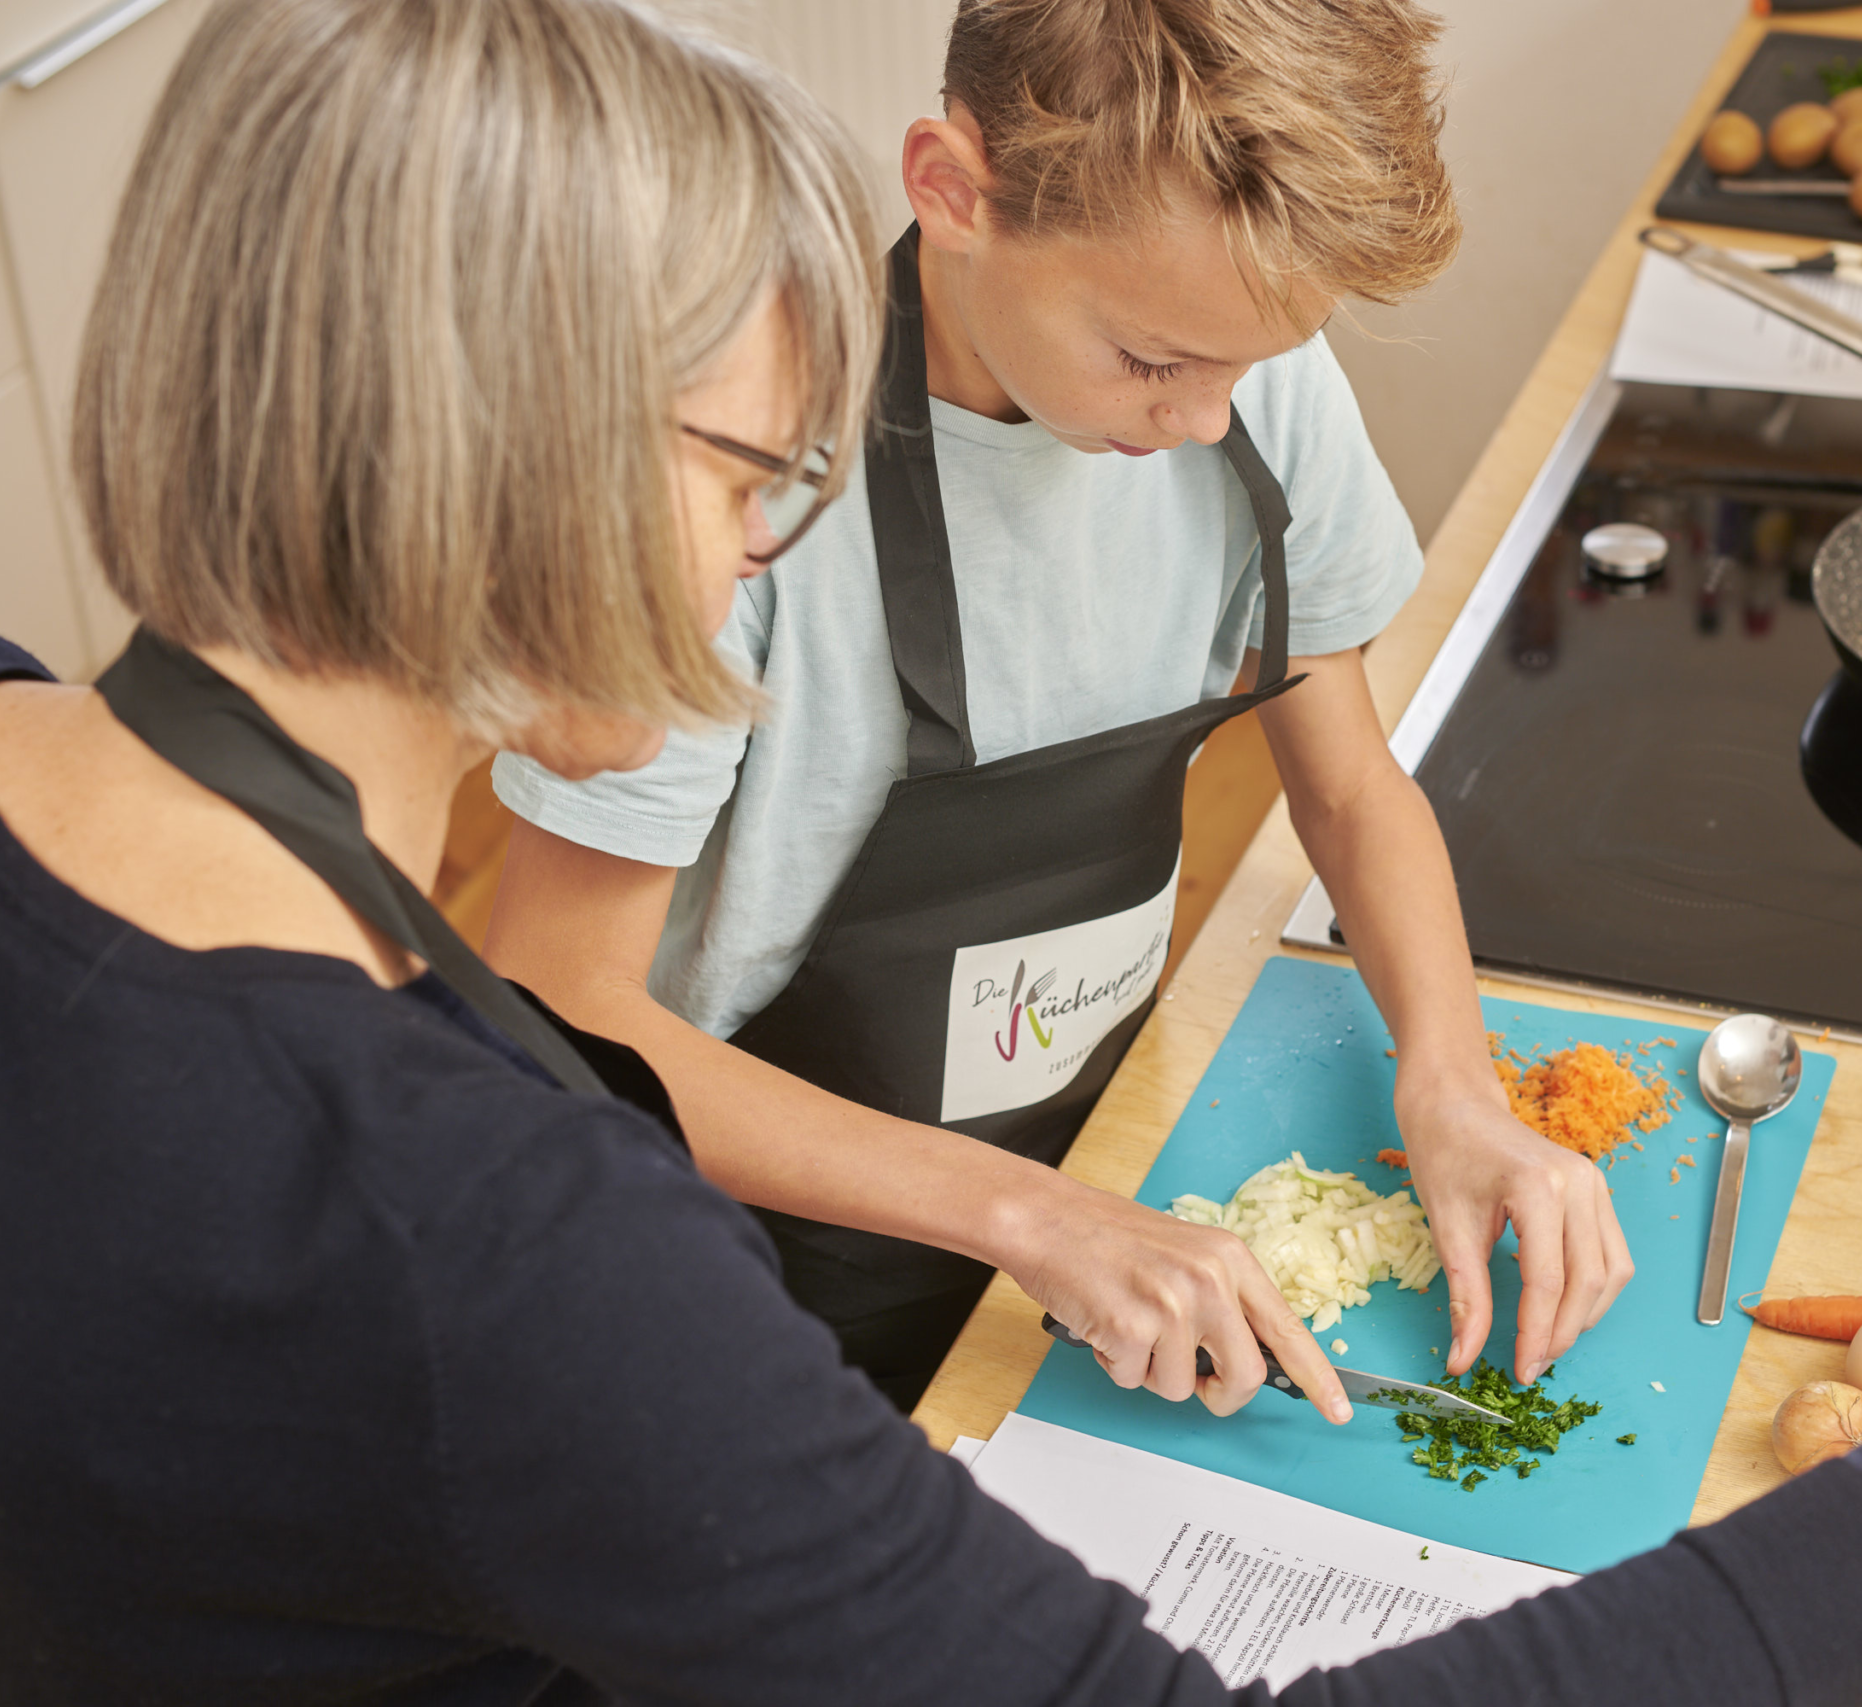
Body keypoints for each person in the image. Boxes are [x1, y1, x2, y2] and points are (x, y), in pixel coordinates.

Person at [0, 0, 1862, 1698]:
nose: (761, 554)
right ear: (506, 450)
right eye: (741, 472)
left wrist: (1440, 1066)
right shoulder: (516, 1248)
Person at [481, 0, 1630, 1413]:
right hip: (753, 1273)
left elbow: (1347, 785)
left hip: (1095, 1183)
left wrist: (1451, 1083)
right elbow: (555, 1002)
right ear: (953, 192)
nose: (1206, 420)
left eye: (1247, 367)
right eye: (1154, 361)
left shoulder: (1247, 384)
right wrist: (1028, 1213)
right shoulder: (736, 474)